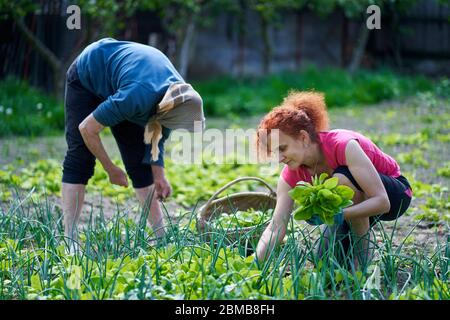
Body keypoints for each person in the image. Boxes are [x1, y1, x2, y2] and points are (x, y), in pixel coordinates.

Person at [62, 38, 205, 249]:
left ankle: (161, 237)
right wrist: (110, 168)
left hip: (124, 82)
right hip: (88, 75)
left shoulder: (181, 97)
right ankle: (70, 239)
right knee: (80, 159)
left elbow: (158, 133)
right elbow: (87, 128)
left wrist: (159, 175)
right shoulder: (137, 96)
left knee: (140, 163)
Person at [254, 91, 412, 269]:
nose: (279, 158)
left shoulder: (343, 145)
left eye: (282, 148)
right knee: (325, 264)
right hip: (350, 207)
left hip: (395, 194)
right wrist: (255, 265)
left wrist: (338, 216)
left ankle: (362, 258)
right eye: (274, 152)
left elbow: (382, 202)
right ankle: (352, 251)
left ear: (304, 137)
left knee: (341, 179)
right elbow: (276, 226)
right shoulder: (291, 173)